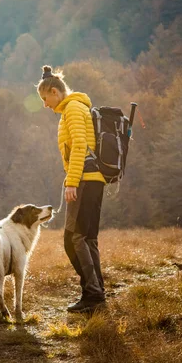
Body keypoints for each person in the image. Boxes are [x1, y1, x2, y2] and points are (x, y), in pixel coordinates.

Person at [37, 65, 106, 313]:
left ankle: (93, 294)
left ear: (54, 92)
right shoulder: (75, 108)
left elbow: (79, 146)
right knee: (87, 238)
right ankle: (96, 292)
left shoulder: (73, 109)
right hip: (93, 179)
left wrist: (72, 182)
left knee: (73, 238)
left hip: (85, 180)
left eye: (45, 99)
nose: (45, 105)